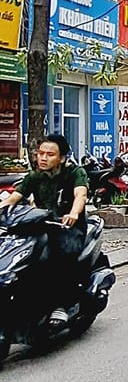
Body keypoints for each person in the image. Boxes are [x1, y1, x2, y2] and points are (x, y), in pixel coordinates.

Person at [0, 135, 89, 325]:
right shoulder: (35, 176)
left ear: (62, 158)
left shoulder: (75, 172)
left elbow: (80, 195)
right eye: (41, 153)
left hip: (67, 227)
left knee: (60, 256)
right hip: (40, 226)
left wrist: (73, 213)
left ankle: (62, 304)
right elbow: (14, 197)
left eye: (50, 154)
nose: (43, 158)